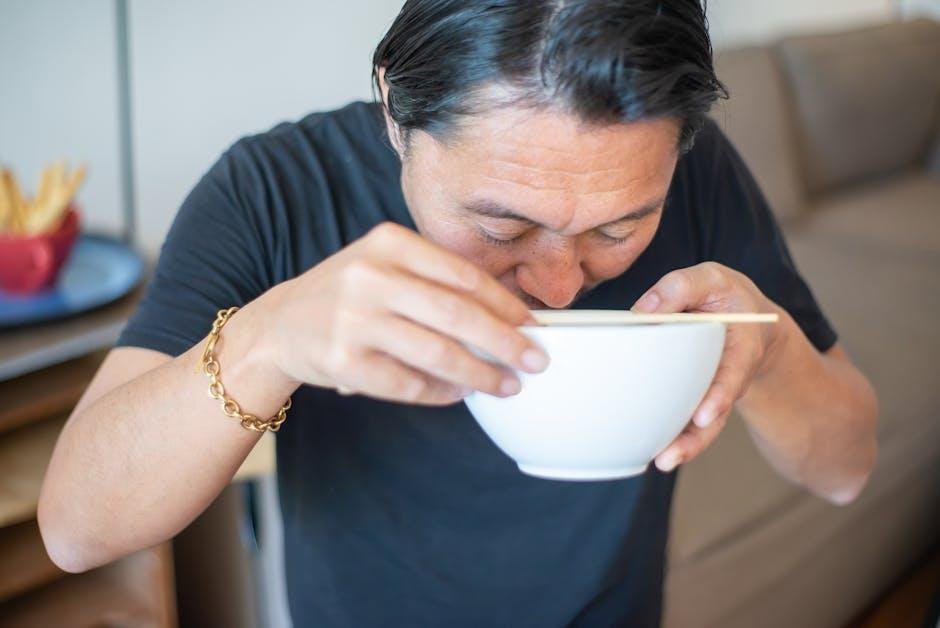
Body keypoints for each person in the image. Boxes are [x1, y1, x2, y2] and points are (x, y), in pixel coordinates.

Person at [37, 1, 879, 625]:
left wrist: (769, 350)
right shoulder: (274, 189)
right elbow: (76, 530)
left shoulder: (698, 174)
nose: (558, 286)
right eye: (501, 227)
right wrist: (268, 341)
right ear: (395, 110)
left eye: (618, 230)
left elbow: (845, 469)